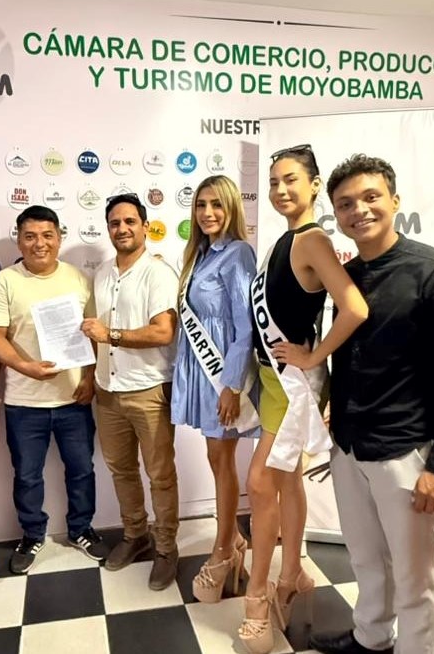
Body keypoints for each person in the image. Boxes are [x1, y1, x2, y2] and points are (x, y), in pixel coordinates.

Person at [309, 154, 434, 654]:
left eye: (370, 197)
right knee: (365, 559)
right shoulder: (345, 276)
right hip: (349, 446)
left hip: (407, 451)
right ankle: (371, 638)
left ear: (395, 200)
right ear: (336, 214)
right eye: (345, 204)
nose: (358, 210)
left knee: (415, 576)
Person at [240, 145, 368, 654]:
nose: (280, 189)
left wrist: (314, 357)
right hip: (274, 380)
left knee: (260, 481)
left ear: (315, 185)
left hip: (291, 385)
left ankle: (258, 594)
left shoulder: (313, 239)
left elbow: (354, 307)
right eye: (273, 181)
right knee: (287, 479)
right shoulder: (286, 239)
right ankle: (292, 572)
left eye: (290, 179)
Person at [0, 205, 106, 574]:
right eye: (31, 236)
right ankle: (32, 534)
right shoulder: (5, 281)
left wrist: (89, 378)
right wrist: (25, 367)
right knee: (27, 475)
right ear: (19, 240)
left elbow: (93, 332)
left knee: (81, 470)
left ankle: (81, 529)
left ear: (59, 238)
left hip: (73, 400)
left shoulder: (77, 278)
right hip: (24, 402)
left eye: (47, 235)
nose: (40, 243)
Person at [81, 193, 180, 590]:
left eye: (129, 221)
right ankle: (135, 535)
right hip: (108, 391)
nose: (121, 229)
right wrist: (91, 374)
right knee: (121, 470)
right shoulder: (103, 273)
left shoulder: (159, 273)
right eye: (114, 223)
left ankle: (166, 547)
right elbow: (94, 332)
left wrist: (112, 335)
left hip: (149, 390)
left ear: (144, 226)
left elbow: (163, 332)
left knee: (160, 475)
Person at [171, 175, 259, 603]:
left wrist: (231, 385)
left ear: (231, 208)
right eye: (201, 205)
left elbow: (246, 327)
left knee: (222, 460)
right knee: (215, 457)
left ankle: (224, 548)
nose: (207, 213)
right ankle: (233, 540)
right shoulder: (199, 255)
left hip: (221, 373)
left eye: (217, 204)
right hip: (201, 371)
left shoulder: (239, 253)